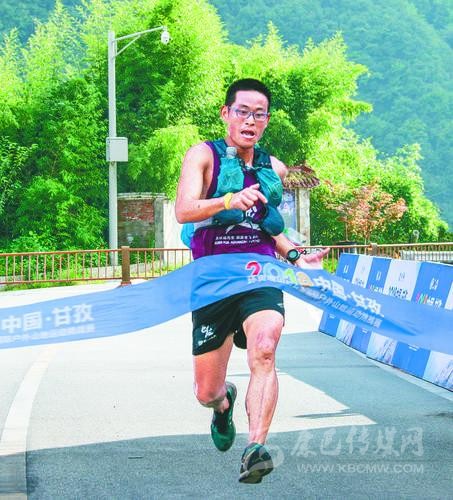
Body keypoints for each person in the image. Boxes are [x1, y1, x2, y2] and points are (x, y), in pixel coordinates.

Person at [175, 78, 328, 484]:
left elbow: (269, 229)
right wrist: (228, 200)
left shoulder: (273, 168)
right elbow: (184, 210)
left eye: (259, 114)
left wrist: (295, 256)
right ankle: (223, 404)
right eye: (242, 112)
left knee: (265, 348)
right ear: (226, 113)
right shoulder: (202, 156)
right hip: (212, 280)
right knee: (206, 391)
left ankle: (255, 448)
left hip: (260, 273)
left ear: (267, 120)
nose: (250, 121)